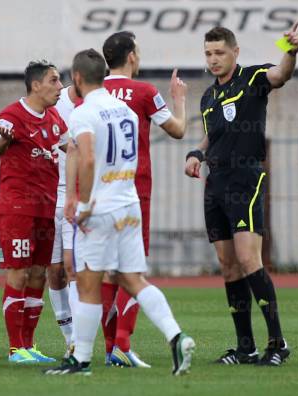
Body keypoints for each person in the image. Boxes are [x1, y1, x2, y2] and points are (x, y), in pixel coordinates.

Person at [45, 49, 194, 376]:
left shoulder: (83, 113)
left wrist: (82, 204)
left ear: (79, 78)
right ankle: (176, 335)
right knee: (131, 279)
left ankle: (80, 359)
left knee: (87, 282)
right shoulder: (125, 110)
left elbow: (85, 158)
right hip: (129, 204)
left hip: (100, 207)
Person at [184, 24, 298, 366]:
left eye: (220, 52)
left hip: (245, 178)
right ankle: (245, 347)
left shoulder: (253, 77)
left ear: (235, 52)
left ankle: (277, 343)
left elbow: (282, 75)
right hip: (215, 182)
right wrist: (196, 153)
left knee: (250, 260)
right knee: (228, 266)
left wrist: (291, 50)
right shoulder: (208, 96)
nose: (213, 59)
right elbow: (212, 136)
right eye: (208, 53)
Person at [98, 31, 188, 367]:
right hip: (135, 190)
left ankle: (110, 348)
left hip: (100, 190)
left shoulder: (93, 92)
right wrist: (178, 98)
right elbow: (178, 130)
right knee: (132, 267)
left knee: (108, 270)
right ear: (132, 56)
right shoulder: (145, 92)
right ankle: (122, 344)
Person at [0, 60, 67, 365]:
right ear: (36, 85)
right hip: (17, 208)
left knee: (38, 274)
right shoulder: (11, 115)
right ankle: (14, 348)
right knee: (18, 272)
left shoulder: (55, 117)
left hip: (46, 208)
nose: (60, 87)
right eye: (55, 81)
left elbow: (69, 145)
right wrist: (5, 138)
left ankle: (29, 345)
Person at [47, 85, 82, 358]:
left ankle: (112, 342)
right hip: (53, 195)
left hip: (84, 197)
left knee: (80, 271)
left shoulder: (99, 104)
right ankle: (70, 339)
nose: (57, 86)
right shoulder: (52, 105)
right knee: (55, 270)